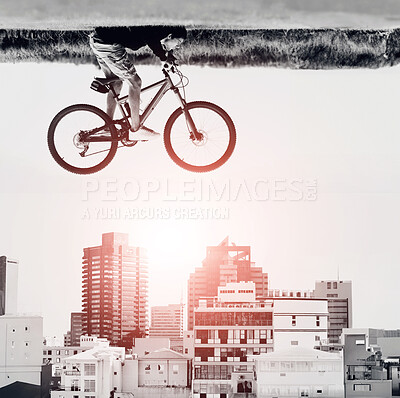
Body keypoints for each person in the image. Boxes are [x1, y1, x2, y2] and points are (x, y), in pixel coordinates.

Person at [89, 25, 187, 141]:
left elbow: (154, 41)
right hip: (109, 45)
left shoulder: (159, 31)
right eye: (178, 42)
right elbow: (149, 37)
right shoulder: (159, 31)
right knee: (136, 83)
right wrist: (163, 57)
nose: (178, 46)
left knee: (116, 84)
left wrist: (166, 55)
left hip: (100, 41)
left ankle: (107, 128)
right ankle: (136, 129)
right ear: (170, 36)